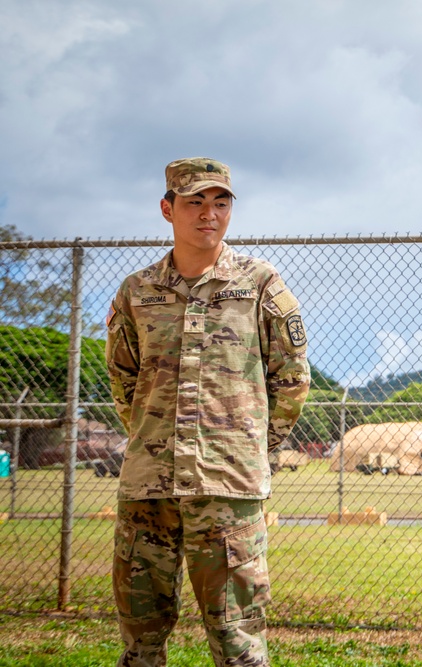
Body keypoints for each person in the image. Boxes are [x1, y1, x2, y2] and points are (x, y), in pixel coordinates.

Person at [105, 157, 310, 666]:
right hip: (148, 485)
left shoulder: (261, 284)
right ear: (166, 208)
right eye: (194, 202)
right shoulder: (138, 291)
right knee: (141, 636)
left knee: (237, 638)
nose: (209, 214)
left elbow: (292, 378)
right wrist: (154, 441)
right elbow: (124, 379)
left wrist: (247, 447)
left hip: (229, 486)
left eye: (220, 203)